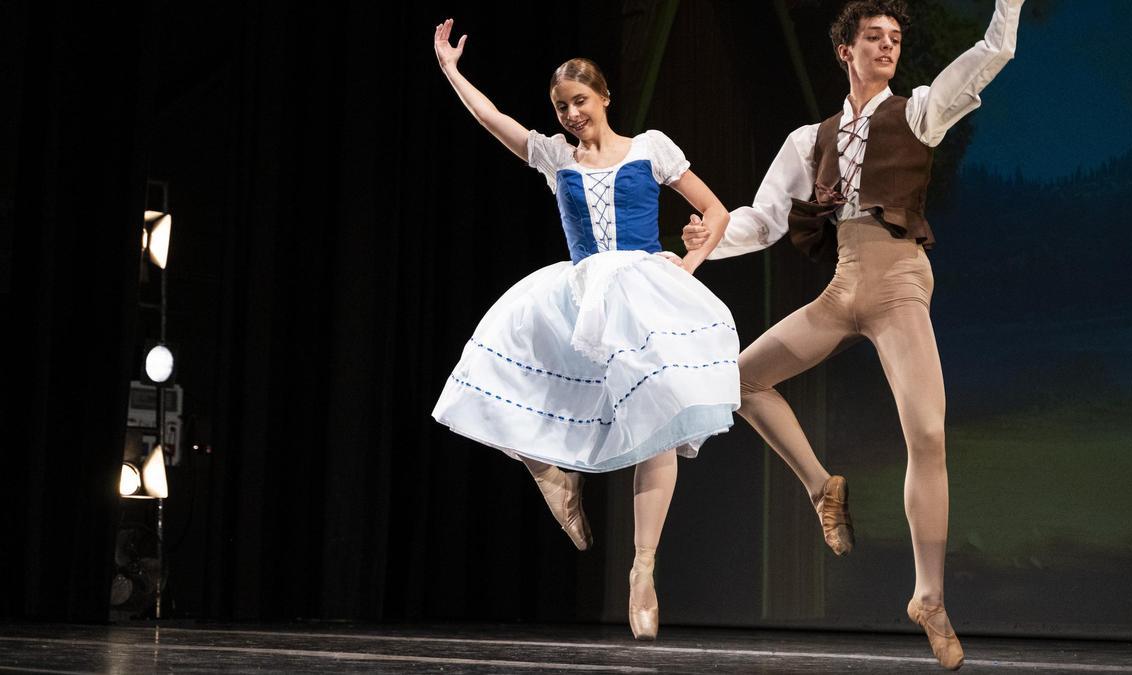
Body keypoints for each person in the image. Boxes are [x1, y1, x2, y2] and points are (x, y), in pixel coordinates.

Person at [682, 0, 1022, 668]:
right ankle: (819, 486)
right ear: (847, 50)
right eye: (875, 37)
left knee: (926, 433)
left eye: (896, 37)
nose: (889, 46)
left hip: (898, 284)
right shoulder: (811, 139)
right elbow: (762, 219)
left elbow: (991, 54)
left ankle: (928, 595)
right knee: (741, 379)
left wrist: (1007, 4)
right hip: (844, 287)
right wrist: (708, 243)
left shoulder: (920, 110)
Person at [429, 18, 739, 640]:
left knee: (662, 423)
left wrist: (691, 261)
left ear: (603, 98)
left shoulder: (652, 147)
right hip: (580, 292)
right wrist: (452, 71)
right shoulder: (553, 156)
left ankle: (643, 571)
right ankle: (551, 471)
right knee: (496, 375)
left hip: (646, 293)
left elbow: (715, 210)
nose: (571, 113)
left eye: (580, 101)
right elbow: (495, 121)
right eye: (561, 106)